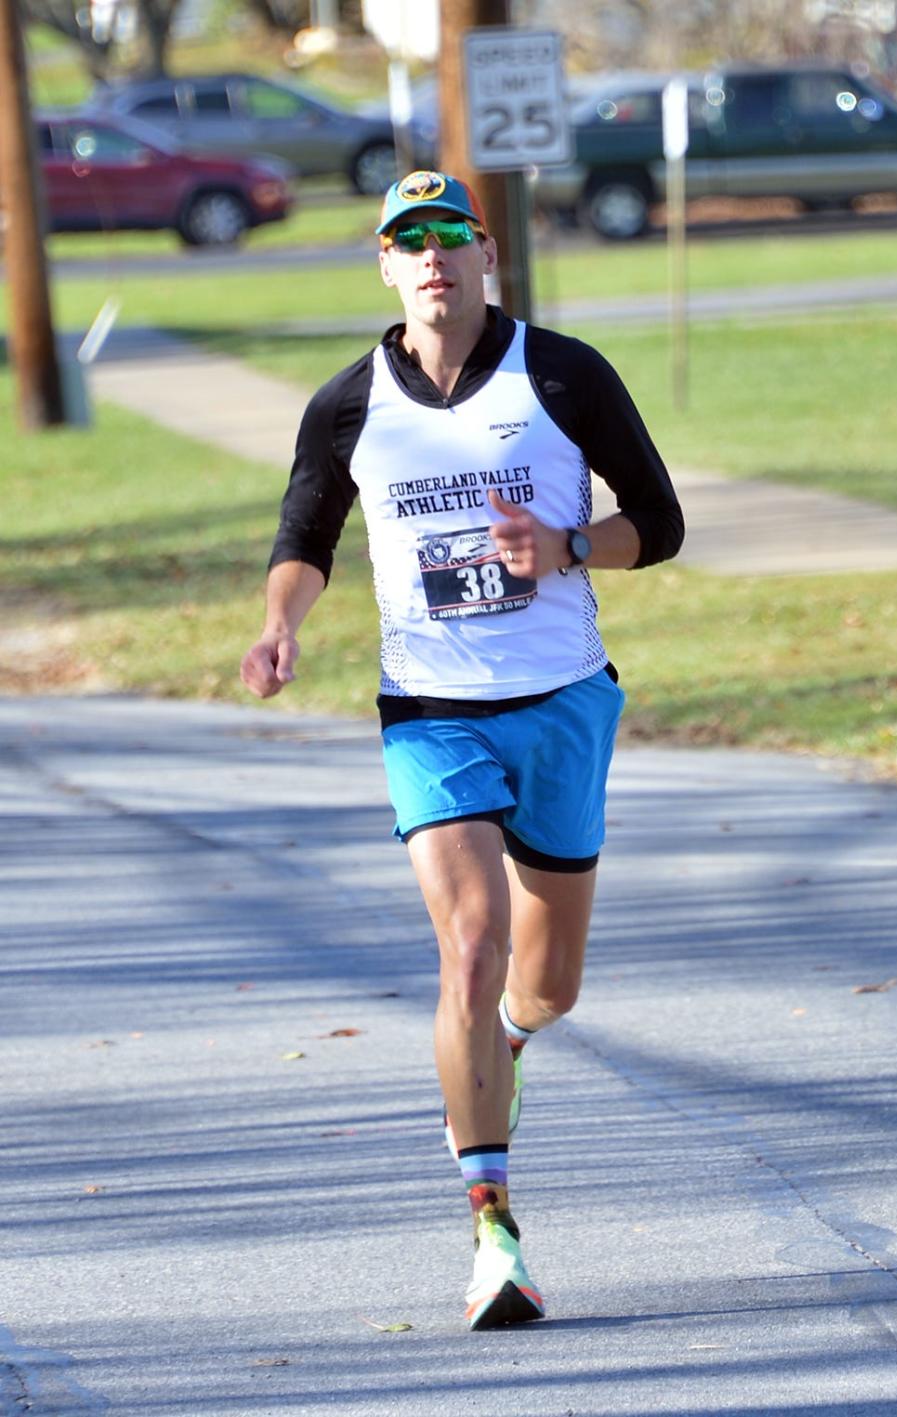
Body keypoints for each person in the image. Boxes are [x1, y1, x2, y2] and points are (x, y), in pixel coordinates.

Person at [241, 169, 684, 1331]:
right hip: (428, 711)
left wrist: (571, 546)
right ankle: (492, 1224)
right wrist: (281, 622)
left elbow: (664, 521)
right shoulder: (347, 405)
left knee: (547, 985)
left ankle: (508, 1049)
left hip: (563, 704)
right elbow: (304, 532)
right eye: (408, 240)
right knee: (472, 947)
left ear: (489, 254)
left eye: (451, 235)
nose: (432, 255)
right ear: (385, 266)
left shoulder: (564, 373)